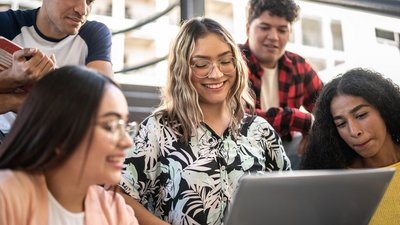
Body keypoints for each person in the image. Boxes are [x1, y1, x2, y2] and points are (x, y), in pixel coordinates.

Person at [118, 17, 291, 225]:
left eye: (225, 61)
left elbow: (289, 197)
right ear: (182, 70)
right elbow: (121, 195)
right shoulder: (158, 129)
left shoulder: (260, 130)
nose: (216, 73)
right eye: (201, 64)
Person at [0, 66, 138, 225]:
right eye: (110, 126)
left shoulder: (117, 211)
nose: (127, 142)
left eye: (125, 126)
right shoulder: (6, 197)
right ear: (60, 134)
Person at [0, 0, 113, 141]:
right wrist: (13, 77)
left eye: (89, 1)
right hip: (7, 138)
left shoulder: (95, 33)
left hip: (61, 141)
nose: (83, 10)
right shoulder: (5, 23)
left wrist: (14, 101)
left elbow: (106, 105)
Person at [300, 68, 400, 224]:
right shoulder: (338, 184)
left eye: (361, 115)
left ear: (384, 108)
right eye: (341, 124)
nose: (354, 131)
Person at [239, 0, 323, 169]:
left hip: (286, 150)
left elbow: (329, 109)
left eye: (282, 30)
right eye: (264, 27)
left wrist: (315, 130)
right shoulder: (232, 61)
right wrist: (302, 121)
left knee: (323, 143)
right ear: (248, 28)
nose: (273, 37)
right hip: (240, 149)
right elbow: (238, 117)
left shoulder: (299, 66)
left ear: (289, 33)